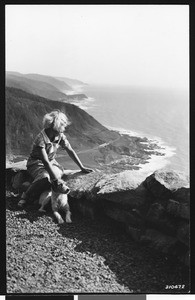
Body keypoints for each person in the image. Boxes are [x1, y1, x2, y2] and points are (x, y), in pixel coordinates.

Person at [18, 110, 93, 207]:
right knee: (46, 177)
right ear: (52, 127)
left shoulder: (60, 136)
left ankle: (38, 194)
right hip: (36, 163)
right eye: (60, 128)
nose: (62, 131)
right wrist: (55, 179)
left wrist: (82, 167)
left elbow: (70, 150)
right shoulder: (40, 139)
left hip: (52, 162)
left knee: (55, 175)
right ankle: (25, 195)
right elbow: (45, 161)